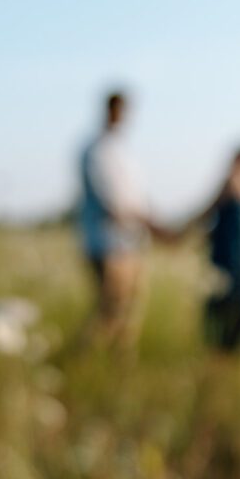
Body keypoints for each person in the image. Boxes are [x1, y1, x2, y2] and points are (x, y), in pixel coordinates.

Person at [77, 91, 164, 346]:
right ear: (108, 110)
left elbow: (138, 198)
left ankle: (118, 370)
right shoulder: (97, 151)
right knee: (110, 313)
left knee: (129, 316)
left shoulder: (123, 151)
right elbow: (114, 204)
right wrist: (158, 229)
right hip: (108, 244)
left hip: (131, 242)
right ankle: (77, 362)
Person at [185, 147, 240, 352]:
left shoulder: (239, 186)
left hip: (233, 269)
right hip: (239, 269)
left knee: (228, 331)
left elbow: (206, 213)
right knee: (230, 332)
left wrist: (180, 233)